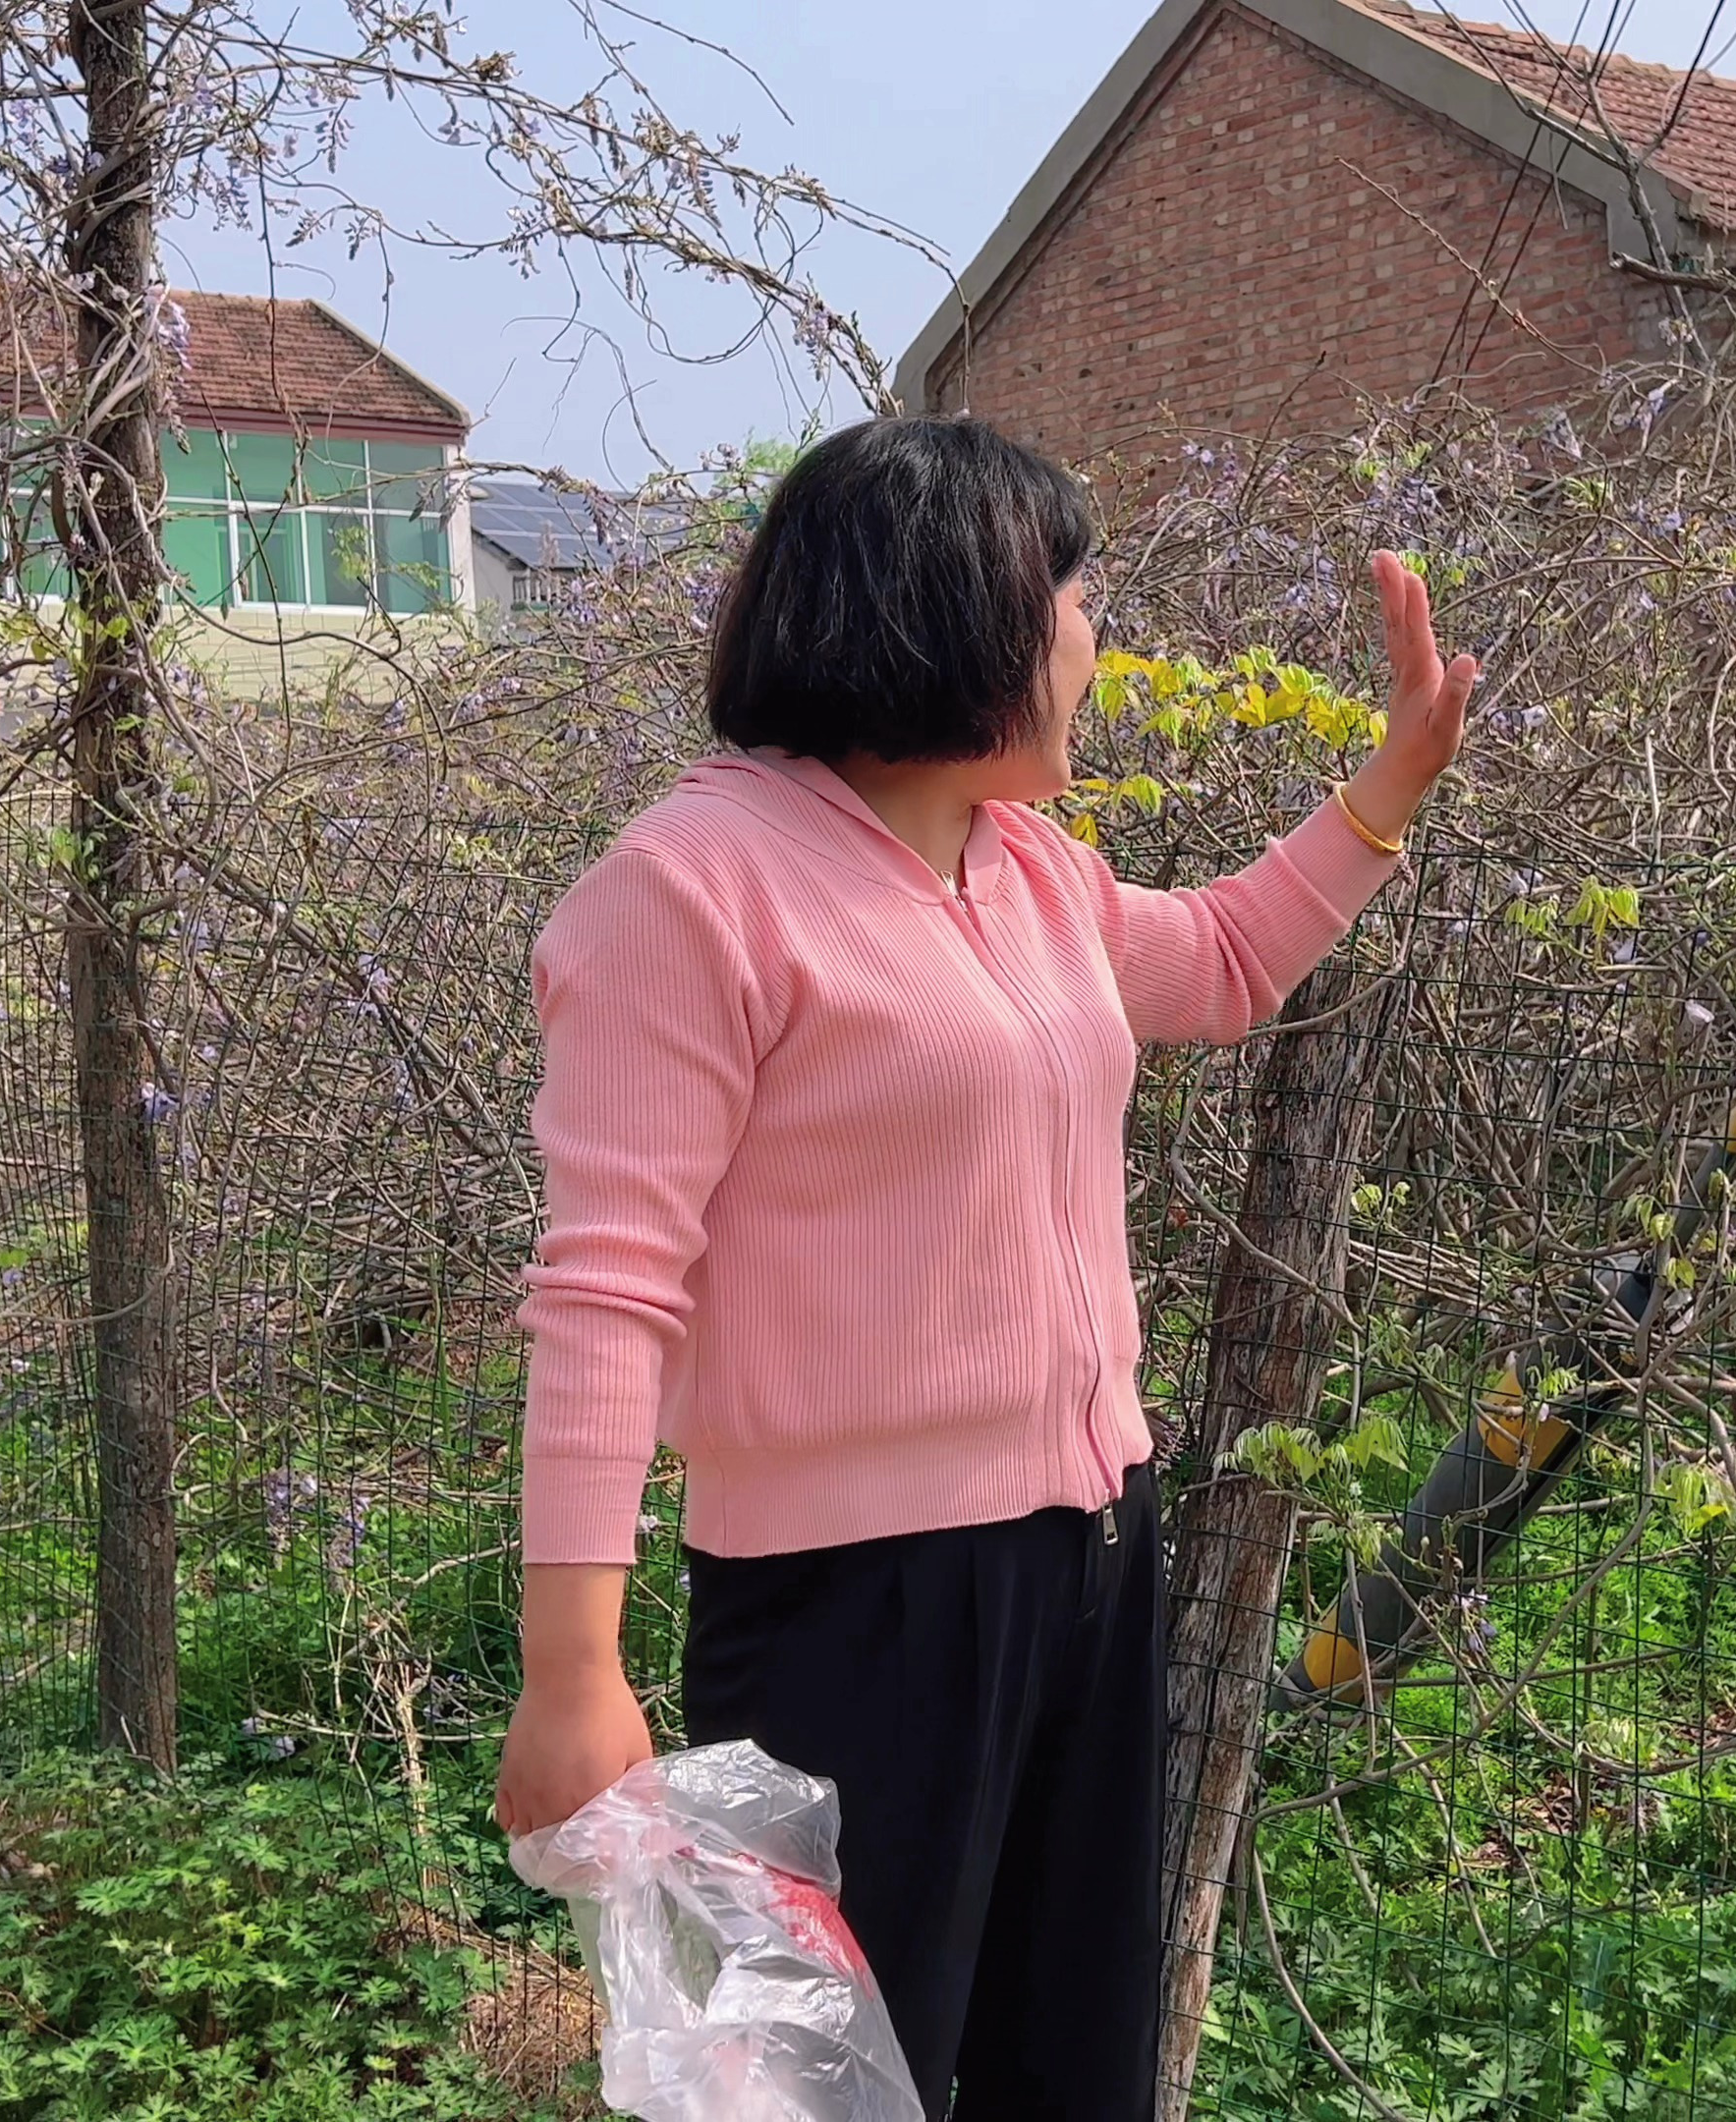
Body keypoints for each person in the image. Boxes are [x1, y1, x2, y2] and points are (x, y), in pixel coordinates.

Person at [490, 414, 1476, 2119]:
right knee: (826, 2096)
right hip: (854, 1611)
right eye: (1076, 592)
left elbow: (1229, 960)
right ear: (957, 613)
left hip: (1093, 1552)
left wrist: (1391, 780)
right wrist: (573, 1674)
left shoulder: (1027, 871)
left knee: (1073, 2065)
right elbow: (607, 1289)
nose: (1099, 638)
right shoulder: (689, 891)